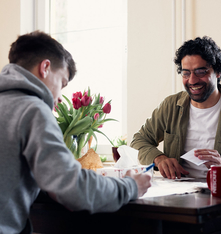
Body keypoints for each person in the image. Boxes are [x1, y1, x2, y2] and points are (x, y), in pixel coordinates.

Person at [0, 31, 151, 234]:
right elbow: (73, 189)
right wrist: (130, 187)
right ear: (45, 67)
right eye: (62, 83)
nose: (60, 97)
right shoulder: (32, 110)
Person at [131, 36, 221, 179]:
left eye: (201, 72)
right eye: (186, 73)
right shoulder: (171, 106)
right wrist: (159, 158)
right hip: (177, 193)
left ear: (217, 72)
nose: (192, 80)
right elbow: (139, 141)